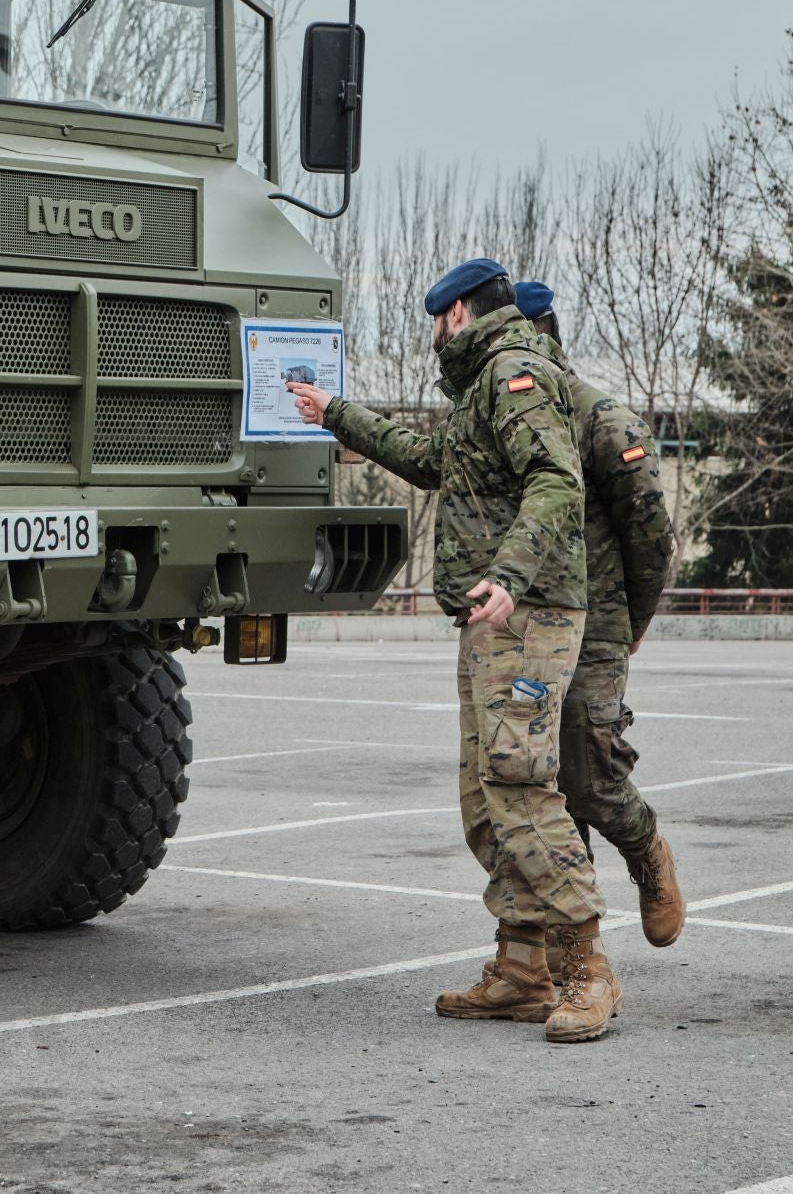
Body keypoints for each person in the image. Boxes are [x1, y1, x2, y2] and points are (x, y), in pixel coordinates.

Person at [289, 258, 620, 1043]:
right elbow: (436, 465)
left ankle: (588, 972)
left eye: (437, 321)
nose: (434, 334)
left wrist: (508, 575)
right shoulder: (481, 389)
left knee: (521, 786)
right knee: (486, 800)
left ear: (458, 315)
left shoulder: (516, 376)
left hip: (528, 613)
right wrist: (335, 412)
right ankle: (520, 971)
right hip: (490, 618)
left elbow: (556, 483)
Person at [514, 281, 685, 952]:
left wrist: (631, 623)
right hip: (522, 630)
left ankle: (648, 853)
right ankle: (564, 954)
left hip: (594, 622)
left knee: (589, 774)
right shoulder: (504, 419)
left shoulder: (603, 422)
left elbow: (651, 537)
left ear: (542, 336)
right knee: (535, 782)